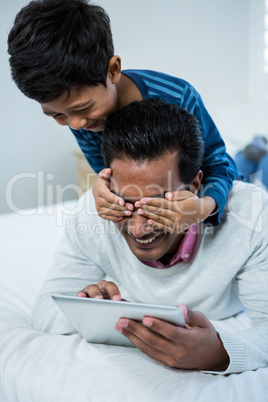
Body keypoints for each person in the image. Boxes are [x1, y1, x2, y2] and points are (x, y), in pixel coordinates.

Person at [31, 99, 268, 375]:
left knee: (254, 168)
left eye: (157, 205)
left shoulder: (251, 213)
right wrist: (95, 312)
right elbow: (44, 310)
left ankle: (254, 152)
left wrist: (218, 353)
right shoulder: (94, 210)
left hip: (243, 185)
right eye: (125, 203)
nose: (138, 229)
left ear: (194, 186)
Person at [7, 0, 238, 230]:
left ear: (113, 70)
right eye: (56, 115)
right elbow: (108, 175)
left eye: (83, 108)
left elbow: (219, 166)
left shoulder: (178, 97)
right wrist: (104, 191)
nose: (75, 124)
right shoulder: (82, 121)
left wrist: (203, 207)